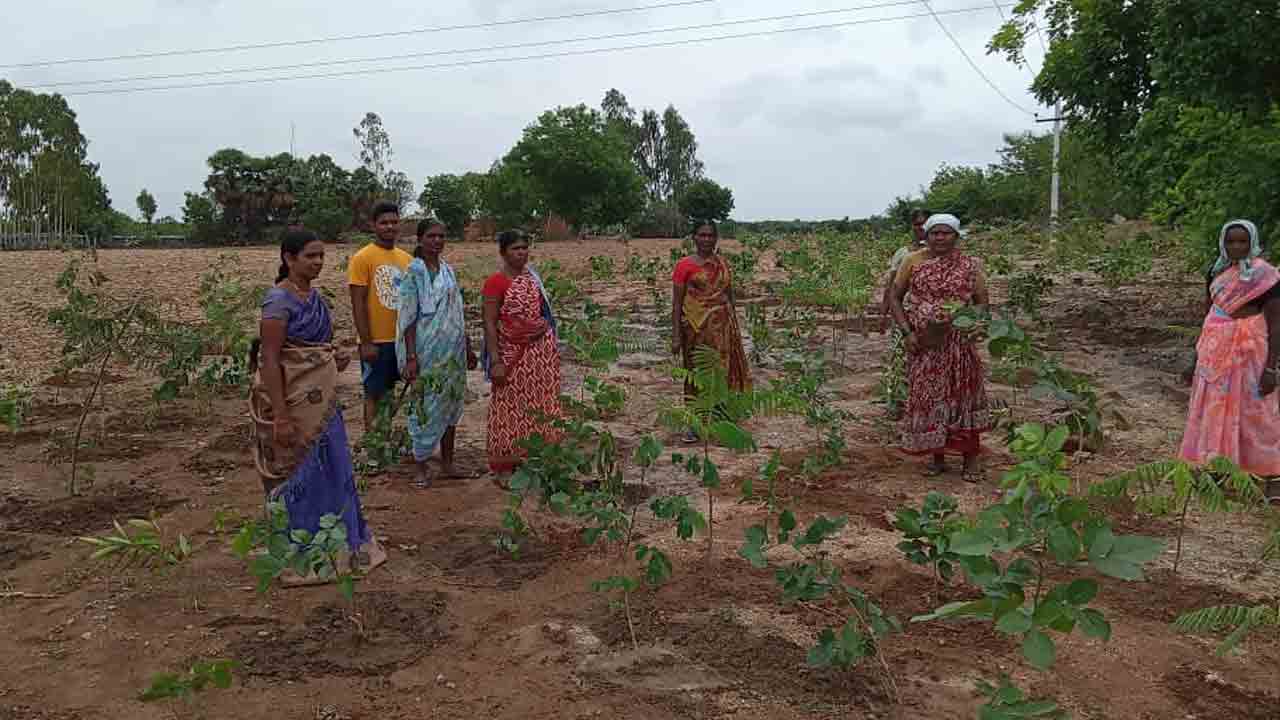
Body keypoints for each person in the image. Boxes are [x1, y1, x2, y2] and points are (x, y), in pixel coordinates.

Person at [249, 228, 386, 582]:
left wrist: (332, 358)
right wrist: (280, 416)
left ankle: (339, 545)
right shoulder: (277, 302)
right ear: (288, 258)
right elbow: (271, 359)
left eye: (321, 256)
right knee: (300, 471)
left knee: (333, 467)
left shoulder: (315, 298)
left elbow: (313, 350)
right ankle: (301, 551)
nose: (318, 263)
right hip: (293, 404)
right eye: (310, 256)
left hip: (323, 403)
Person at [1180, 220, 1280, 501]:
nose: (1236, 247)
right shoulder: (1216, 271)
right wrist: (1195, 357)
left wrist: (1271, 367)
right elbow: (1208, 314)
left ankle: (1269, 480)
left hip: (1251, 353)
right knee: (1213, 411)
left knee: (1258, 413)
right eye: (1231, 242)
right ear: (1223, 243)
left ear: (1253, 243)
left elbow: (1276, 322)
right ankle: (1215, 472)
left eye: (1242, 242)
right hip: (1215, 352)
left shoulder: (1266, 276)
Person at [889, 213, 993, 482]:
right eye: (935, 232)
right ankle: (937, 457)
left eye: (946, 233)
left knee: (963, 397)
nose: (940, 238)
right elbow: (895, 297)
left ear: (957, 237)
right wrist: (908, 333)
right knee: (930, 398)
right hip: (925, 344)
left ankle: (971, 459)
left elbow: (982, 300)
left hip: (958, 344)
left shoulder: (969, 265)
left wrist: (975, 326)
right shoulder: (912, 261)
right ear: (926, 234)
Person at [396, 218, 477, 488]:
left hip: (451, 351)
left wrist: (467, 346)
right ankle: (420, 465)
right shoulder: (412, 273)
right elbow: (407, 318)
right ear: (420, 240)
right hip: (424, 350)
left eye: (441, 236)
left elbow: (457, 313)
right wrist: (410, 357)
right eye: (431, 236)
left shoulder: (449, 272)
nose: (437, 241)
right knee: (423, 406)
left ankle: (448, 463)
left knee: (451, 403)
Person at [481, 230, 563, 482]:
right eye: (516, 248)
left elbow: (542, 315)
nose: (522, 253)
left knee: (541, 407)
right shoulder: (495, 282)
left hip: (540, 358)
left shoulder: (532, 279)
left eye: (525, 248)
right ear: (503, 252)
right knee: (507, 408)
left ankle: (537, 461)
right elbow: (489, 323)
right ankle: (506, 467)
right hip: (511, 356)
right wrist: (495, 361)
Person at [671, 220, 751, 444]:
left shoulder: (722, 264)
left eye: (710, 235)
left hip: (723, 330)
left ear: (716, 238)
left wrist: (734, 327)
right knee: (695, 375)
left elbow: (729, 296)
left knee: (721, 373)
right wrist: (676, 335)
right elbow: (677, 304)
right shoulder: (684, 266)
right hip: (695, 331)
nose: (706, 239)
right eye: (702, 235)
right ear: (694, 237)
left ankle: (719, 420)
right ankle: (694, 422)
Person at [348, 200, 413, 428]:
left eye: (394, 222)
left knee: (391, 393)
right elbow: (358, 303)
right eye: (384, 222)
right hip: (376, 341)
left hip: (401, 341)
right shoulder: (362, 258)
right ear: (373, 225)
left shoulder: (407, 260)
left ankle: (384, 441)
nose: (389, 227)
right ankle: (373, 448)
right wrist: (366, 342)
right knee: (373, 394)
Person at [878, 208, 930, 418]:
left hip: (931, 318)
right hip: (904, 314)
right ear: (912, 227)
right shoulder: (903, 254)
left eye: (925, 223)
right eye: (917, 224)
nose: (921, 228)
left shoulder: (941, 253)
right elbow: (891, 285)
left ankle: (924, 403)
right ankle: (896, 404)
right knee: (898, 357)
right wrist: (883, 313)